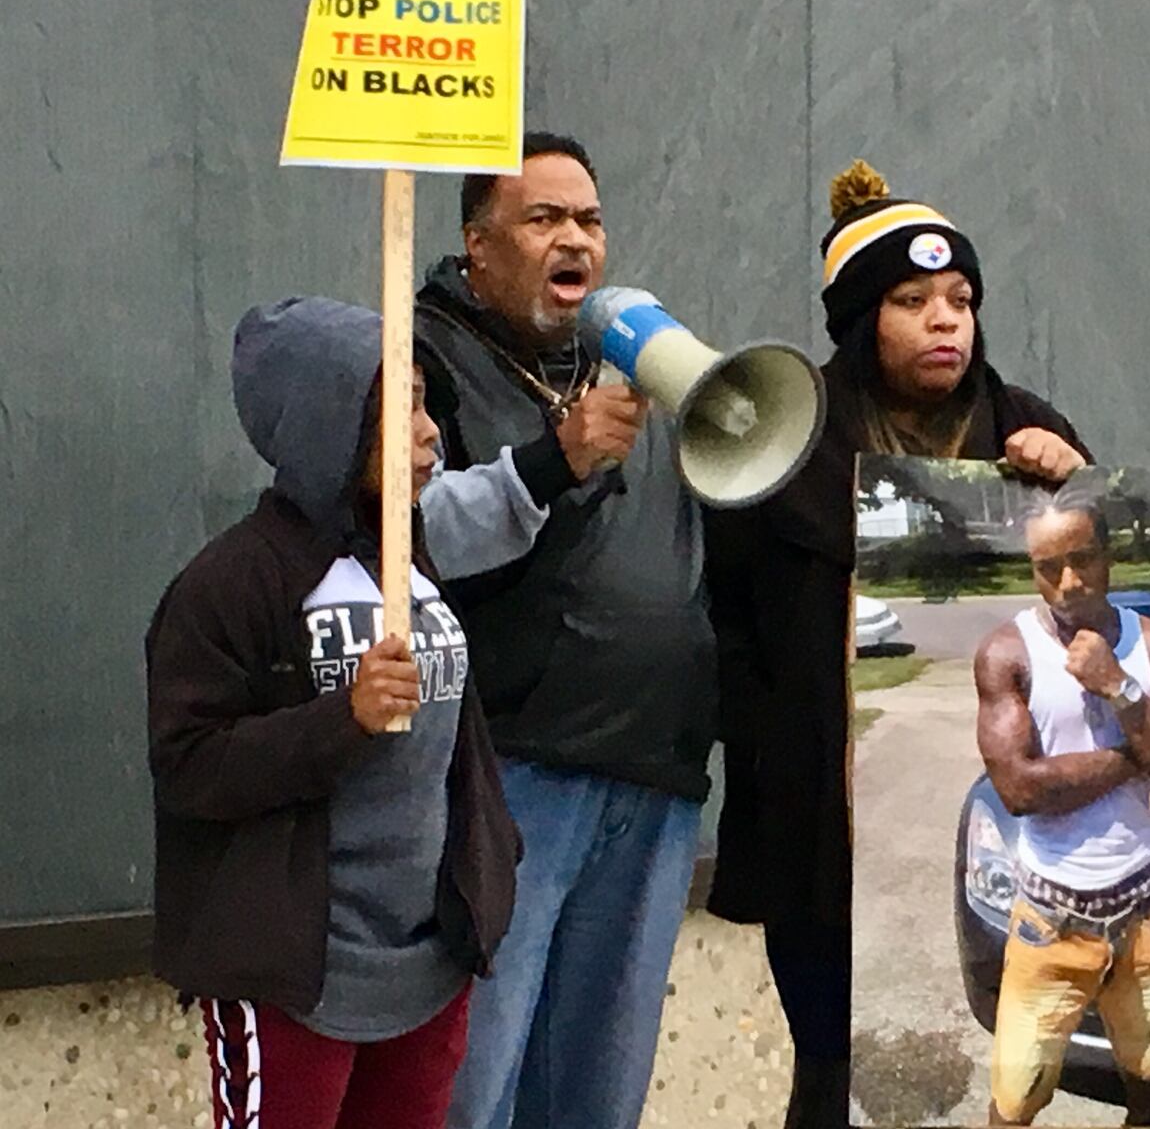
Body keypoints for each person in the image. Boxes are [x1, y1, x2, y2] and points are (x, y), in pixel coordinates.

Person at [704, 161, 1095, 1128]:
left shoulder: (1029, 433)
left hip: (1007, 835)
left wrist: (1079, 487)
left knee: (999, 1072)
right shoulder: (785, 443)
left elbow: (1098, 604)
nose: (944, 321)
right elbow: (731, 619)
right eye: (912, 301)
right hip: (822, 830)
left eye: (960, 300)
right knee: (839, 1077)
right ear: (857, 321)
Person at [145, 297, 520, 1129]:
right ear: (328, 422)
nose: (431, 434)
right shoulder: (235, 584)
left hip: (424, 966)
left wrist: (490, 868)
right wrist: (339, 721)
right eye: (403, 406)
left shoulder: (411, 559)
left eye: (428, 403)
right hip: (294, 978)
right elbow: (188, 764)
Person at [411, 131, 718, 1129]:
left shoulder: (638, 357)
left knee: (597, 1085)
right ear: (476, 245)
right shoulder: (426, 360)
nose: (572, 238)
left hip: (653, 770)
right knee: (482, 1078)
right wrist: (554, 458)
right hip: (516, 772)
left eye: (587, 219)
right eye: (541, 218)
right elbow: (409, 543)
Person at [975, 486, 1150, 1126]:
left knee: (1147, 1076)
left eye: (1083, 560)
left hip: (1142, 917)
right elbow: (1020, 791)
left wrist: (1119, 687)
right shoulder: (1009, 654)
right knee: (1013, 1098)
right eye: (1048, 568)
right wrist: (1137, 757)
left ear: (1109, 558)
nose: (1069, 582)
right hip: (1048, 921)